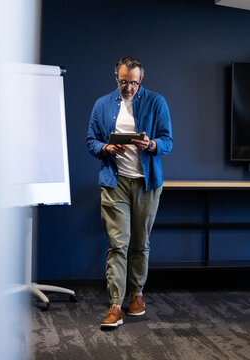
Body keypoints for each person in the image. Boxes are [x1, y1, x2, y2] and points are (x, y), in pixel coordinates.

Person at [86, 56, 173, 328]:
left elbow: (168, 141)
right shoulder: (102, 105)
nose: (128, 88)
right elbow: (91, 141)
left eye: (133, 83)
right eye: (124, 82)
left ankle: (137, 294)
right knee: (117, 243)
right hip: (115, 182)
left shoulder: (157, 102)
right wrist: (107, 148)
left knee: (140, 242)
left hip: (147, 183)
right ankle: (115, 303)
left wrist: (151, 144)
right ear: (116, 77)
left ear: (141, 80)